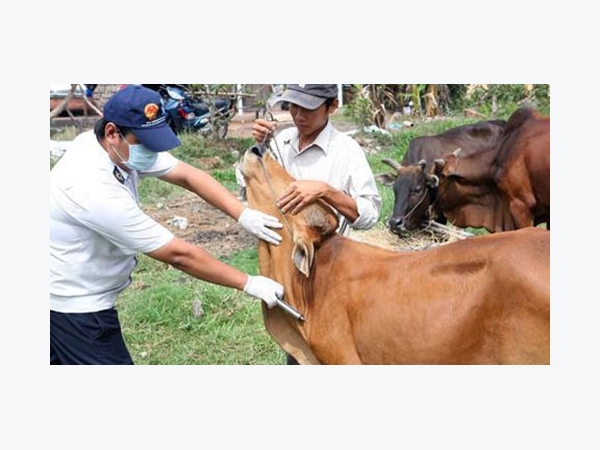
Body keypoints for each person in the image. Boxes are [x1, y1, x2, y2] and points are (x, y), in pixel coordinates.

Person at [50, 84, 285, 365]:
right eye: (145, 143)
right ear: (112, 133)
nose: (151, 152)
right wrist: (248, 282)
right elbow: (179, 255)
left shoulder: (110, 144)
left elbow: (188, 175)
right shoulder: (92, 187)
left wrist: (243, 214)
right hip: (74, 306)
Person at [245, 84, 382, 364]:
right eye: (292, 107)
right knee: (298, 343)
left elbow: (370, 212)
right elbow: (254, 187)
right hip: (287, 264)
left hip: (333, 268)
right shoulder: (281, 142)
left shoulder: (347, 151)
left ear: (332, 106)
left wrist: (325, 191)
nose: (298, 115)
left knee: (336, 350)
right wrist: (261, 148)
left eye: (307, 108)